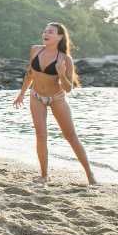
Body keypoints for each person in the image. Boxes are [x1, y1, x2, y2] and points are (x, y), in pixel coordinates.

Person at [13, 22, 96, 185]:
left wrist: (60, 73)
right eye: (45, 31)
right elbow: (30, 74)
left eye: (50, 32)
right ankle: (44, 176)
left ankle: (90, 175)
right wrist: (21, 93)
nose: (46, 34)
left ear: (60, 36)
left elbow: (68, 88)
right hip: (36, 96)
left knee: (71, 136)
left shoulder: (65, 59)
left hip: (57, 98)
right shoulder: (35, 50)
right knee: (41, 135)